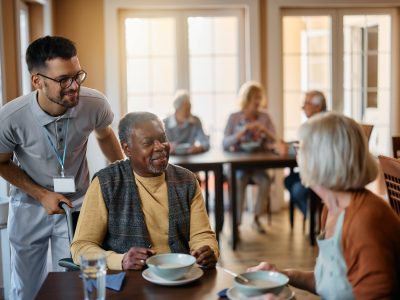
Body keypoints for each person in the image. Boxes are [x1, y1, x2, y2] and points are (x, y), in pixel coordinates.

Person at [0, 36, 124, 300]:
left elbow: (104, 135)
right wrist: (41, 195)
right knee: (26, 288)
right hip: (29, 205)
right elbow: (1, 161)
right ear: (37, 80)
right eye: (63, 80)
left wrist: (125, 176)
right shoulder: (11, 117)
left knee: (72, 284)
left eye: (77, 76)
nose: (74, 86)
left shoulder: (95, 104)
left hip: (77, 204)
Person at [249, 112, 400, 299]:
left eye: (301, 148)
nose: (297, 156)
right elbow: (332, 283)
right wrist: (282, 275)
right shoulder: (332, 208)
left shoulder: (366, 222)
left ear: (324, 159)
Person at [71, 112, 219, 270]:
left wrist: (207, 249)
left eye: (163, 139)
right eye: (148, 143)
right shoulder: (106, 183)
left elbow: (202, 235)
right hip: (130, 283)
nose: (160, 147)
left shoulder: (188, 180)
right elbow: (81, 247)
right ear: (127, 148)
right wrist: (121, 260)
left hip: (180, 277)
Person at [223, 81, 276, 233]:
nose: (258, 101)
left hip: (258, 165)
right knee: (238, 181)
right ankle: (237, 223)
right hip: (239, 166)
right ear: (246, 99)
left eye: (260, 97)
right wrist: (242, 132)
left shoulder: (265, 118)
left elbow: (275, 140)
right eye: (255, 98)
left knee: (265, 181)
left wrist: (264, 130)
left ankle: (257, 219)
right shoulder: (234, 117)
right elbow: (225, 143)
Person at [276, 90, 326, 218]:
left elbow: (311, 148)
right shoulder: (314, 122)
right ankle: (313, 217)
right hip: (315, 170)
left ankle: (316, 220)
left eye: (307, 103)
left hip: (324, 173)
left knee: (298, 189)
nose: (303, 107)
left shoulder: (323, 123)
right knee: (289, 181)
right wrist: (287, 145)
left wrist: (287, 149)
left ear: (318, 106)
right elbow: (305, 143)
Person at [164, 90, 209, 155]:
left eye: (190, 108)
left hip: (191, 159)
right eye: (186, 109)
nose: (189, 113)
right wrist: (167, 147)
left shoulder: (195, 121)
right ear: (177, 110)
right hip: (171, 160)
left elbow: (205, 142)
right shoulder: (165, 123)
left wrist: (199, 148)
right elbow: (159, 146)